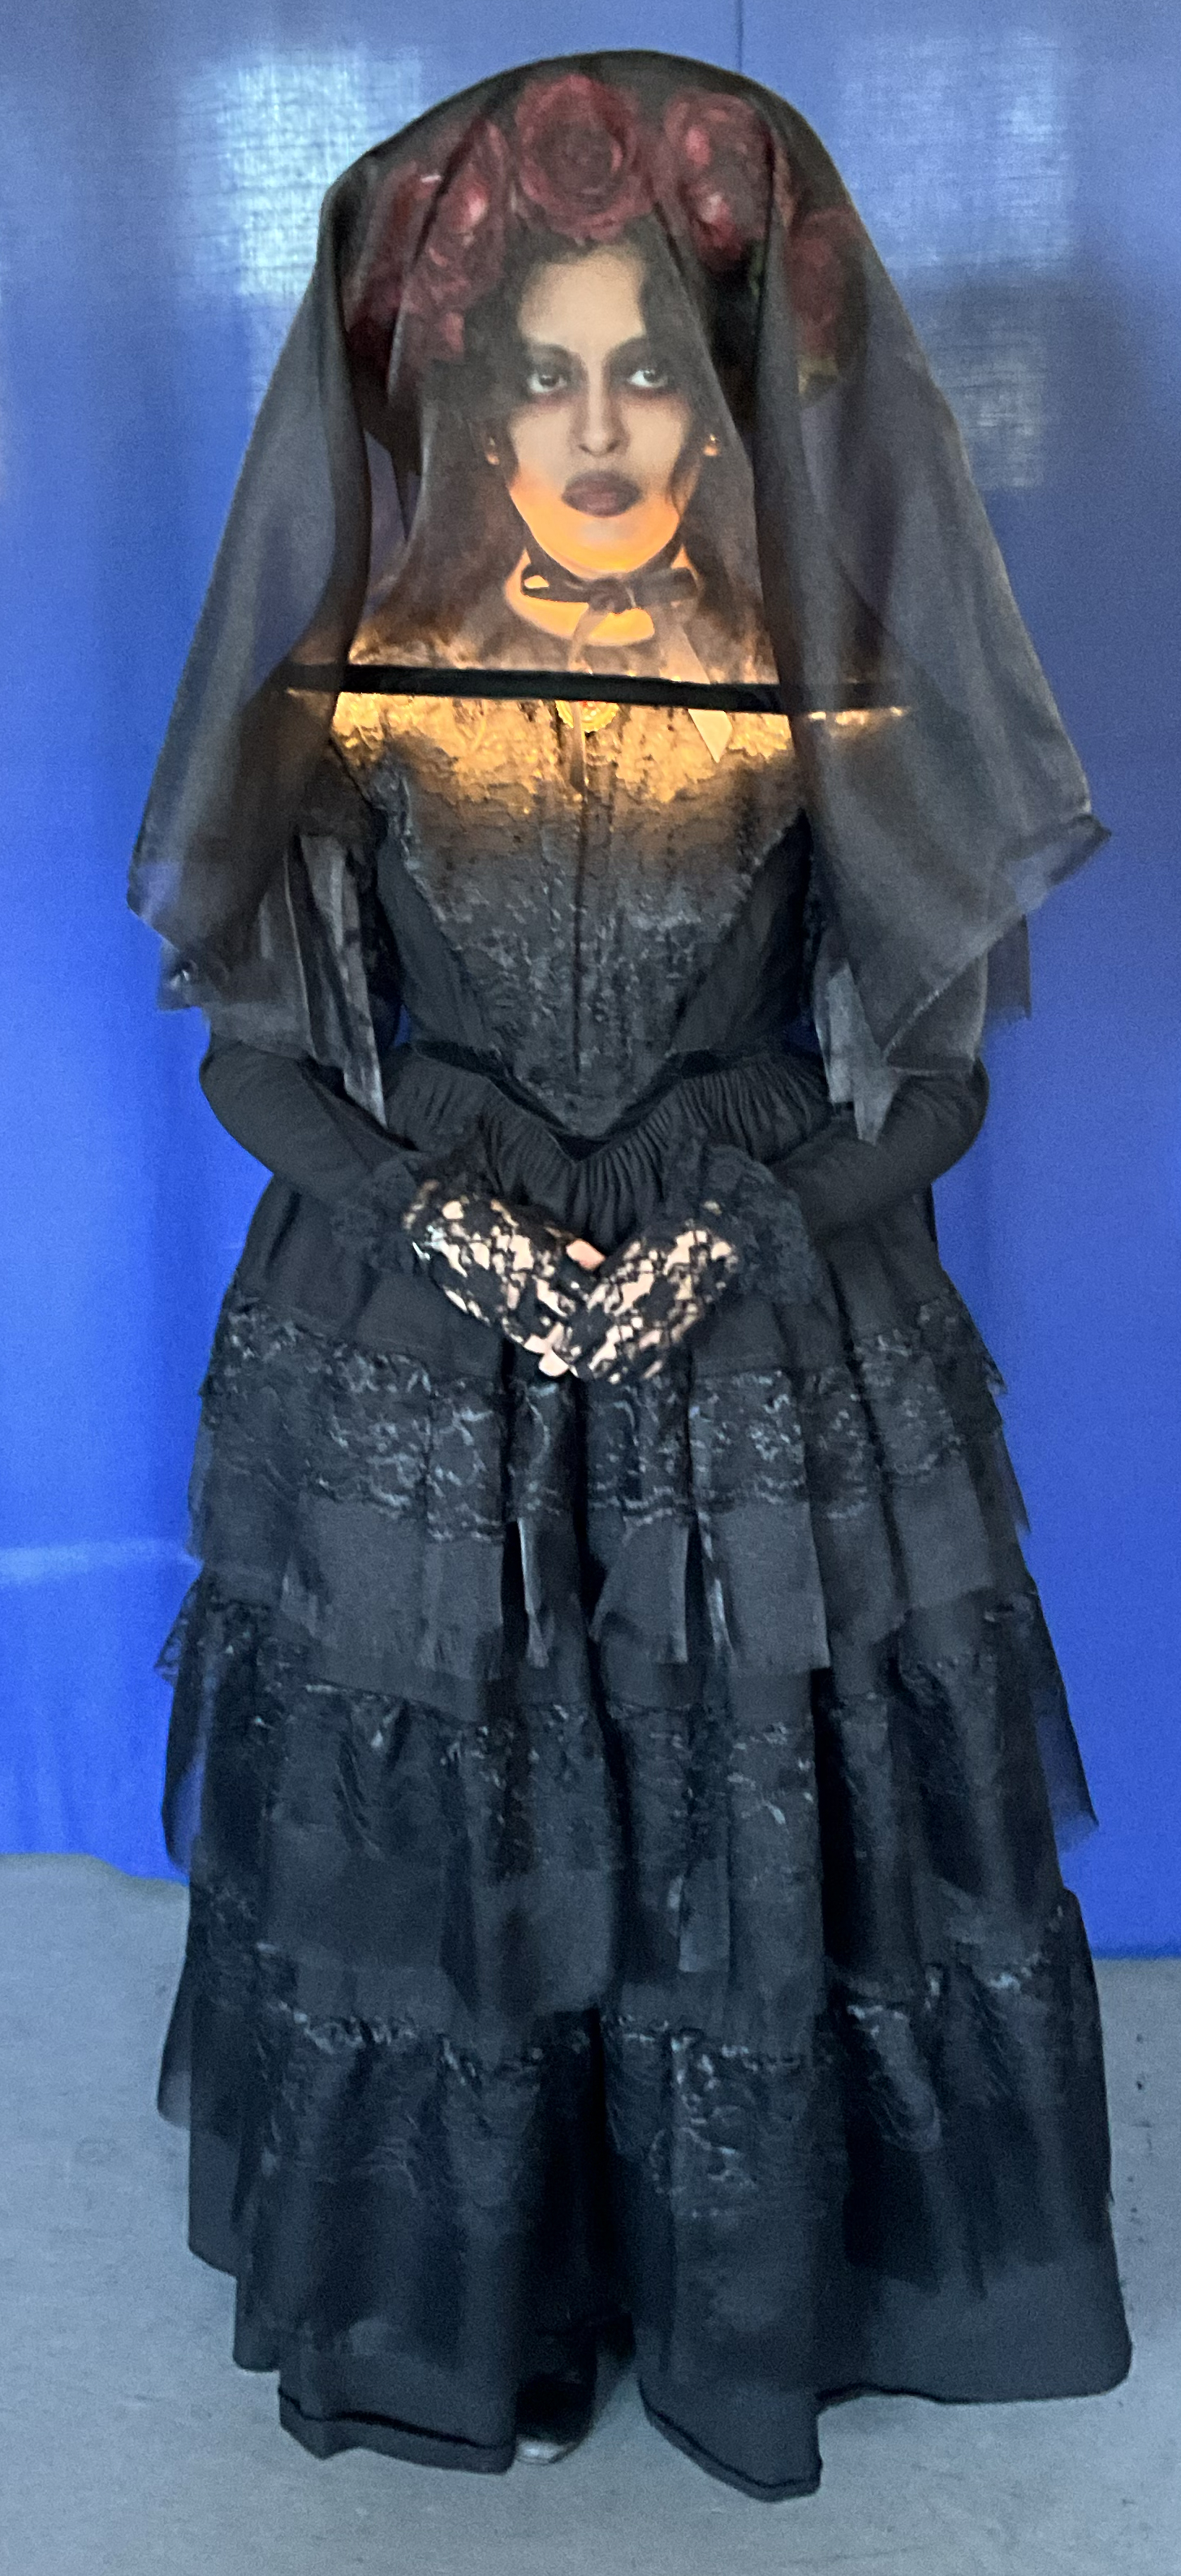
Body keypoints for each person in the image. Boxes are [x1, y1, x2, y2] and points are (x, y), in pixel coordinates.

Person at [132, 55, 1131, 2502]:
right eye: (545, 374)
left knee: (735, 1792)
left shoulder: (830, 681)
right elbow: (252, 1052)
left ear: (726, 403)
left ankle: (741, 2289)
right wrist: (437, 1221)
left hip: (758, 1340)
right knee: (460, 1789)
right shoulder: (363, 677)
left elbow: (935, 1085)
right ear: (468, 406)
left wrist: (743, 1233)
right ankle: (484, 2294)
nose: (600, 429)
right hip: (421, 1347)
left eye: (652, 375)